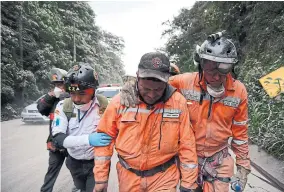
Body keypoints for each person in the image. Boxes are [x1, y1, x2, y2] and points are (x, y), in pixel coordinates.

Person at [120, 32, 251, 192]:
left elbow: (240, 134)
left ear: (232, 67)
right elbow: (155, 82)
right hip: (188, 156)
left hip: (219, 159)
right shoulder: (184, 82)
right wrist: (132, 85)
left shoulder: (238, 91)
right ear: (201, 64)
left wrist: (243, 166)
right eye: (209, 67)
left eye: (223, 68)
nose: (216, 76)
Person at [93, 52, 198, 192]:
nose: (152, 94)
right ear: (137, 77)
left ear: (167, 81)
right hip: (128, 177)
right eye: (146, 88)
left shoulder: (178, 103)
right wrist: (101, 178)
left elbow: (187, 144)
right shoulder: (120, 102)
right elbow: (105, 142)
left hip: (164, 177)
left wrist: (188, 183)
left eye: (158, 89)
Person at [51, 63, 111, 192]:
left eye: (82, 93)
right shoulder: (63, 106)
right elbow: (58, 139)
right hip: (73, 162)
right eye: (72, 93)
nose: (77, 99)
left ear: (93, 91)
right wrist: (88, 139)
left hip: (97, 164)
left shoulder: (104, 107)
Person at [37, 68, 73, 192]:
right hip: (55, 144)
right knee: (51, 172)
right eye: (56, 84)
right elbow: (41, 108)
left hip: (72, 144)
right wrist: (50, 95)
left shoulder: (75, 97)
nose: (58, 87)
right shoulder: (52, 99)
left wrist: (66, 95)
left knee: (77, 172)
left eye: (60, 84)